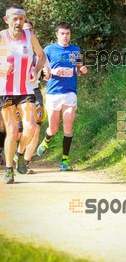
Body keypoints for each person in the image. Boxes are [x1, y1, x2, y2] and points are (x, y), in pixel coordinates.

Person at [0, 3, 46, 184]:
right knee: (11, 131)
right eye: (15, 19)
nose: (18, 22)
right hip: (7, 93)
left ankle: (20, 155)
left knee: (31, 127)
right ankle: (9, 169)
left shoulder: (29, 36)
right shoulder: (2, 38)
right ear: (6, 20)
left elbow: (41, 56)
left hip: (26, 90)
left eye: (21, 19)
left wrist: (36, 68)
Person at [37, 22, 87, 170]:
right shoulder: (49, 50)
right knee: (53, 128)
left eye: (68, 34)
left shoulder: (75, 50)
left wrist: (82, 69)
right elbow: (43, 70)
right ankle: (46, 140)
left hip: (70, 92)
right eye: (63, 34)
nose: (65, 36)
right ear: (57, 35)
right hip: (53, 92)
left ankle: (65, 161)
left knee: (68, 124)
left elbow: (78, 68)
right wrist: (49, 73)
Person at [14, 20, 51, 174]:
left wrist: (47, 74)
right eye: (24, 30)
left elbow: (47, 72)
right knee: (17, 130)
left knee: (35, 128)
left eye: (30, 30)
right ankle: (13, 156)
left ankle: (25, 162)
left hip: (34, 92)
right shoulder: (12, 51)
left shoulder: (39, 54)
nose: (28, 34)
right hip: (14, 93)